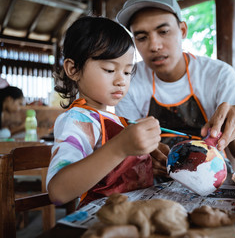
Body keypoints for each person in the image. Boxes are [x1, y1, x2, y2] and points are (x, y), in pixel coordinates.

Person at [115, 0, 235, 180]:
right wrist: (142, 157)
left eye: (164, 31)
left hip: (213, 180)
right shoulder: (129, 80)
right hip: (156, 185)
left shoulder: (219, 75)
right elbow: (125, 151)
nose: (154, 46)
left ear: (182, 30)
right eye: (142, 37)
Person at [46, 16, 161, 207]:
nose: (121, 81)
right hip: (102, 223)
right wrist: (121, 147)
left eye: (127, 72)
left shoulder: (117, 120)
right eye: (109, 69)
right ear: (73, 69)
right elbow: (58, 192)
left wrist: (148, 159)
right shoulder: (77, 120)